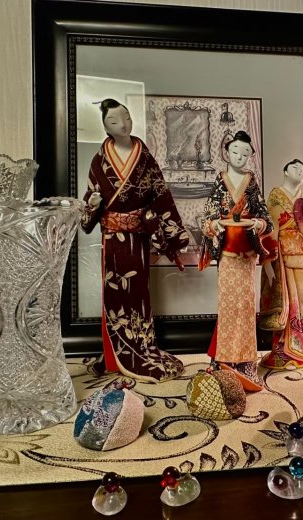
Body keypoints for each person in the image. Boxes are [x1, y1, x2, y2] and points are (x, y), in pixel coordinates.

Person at [81, 98, 190, 383]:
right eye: (114, 121)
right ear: (105, 126)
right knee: (116, 293)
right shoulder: (100, 160)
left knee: (139, 292)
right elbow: (90, 198)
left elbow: (161, 196)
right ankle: (114, 354)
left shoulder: (145, 158)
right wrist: (92, 204)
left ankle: (141, 344)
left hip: (138, 238)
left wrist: (170, 236)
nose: (123, 125)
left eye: (127, 118)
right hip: (112, 239)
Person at [199, 131, 276, 391]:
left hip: (247, 254)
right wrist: (215, 225)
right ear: (227, 153)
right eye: (235, 152)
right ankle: (223, 358)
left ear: (250, 156)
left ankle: (246, 361)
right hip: (227, 253)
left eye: (245, 153)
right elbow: (208, 217)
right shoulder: (219, 181)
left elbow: (266, 218)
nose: (239, 157)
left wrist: (258, 223)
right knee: (228, 306)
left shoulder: (251, 183)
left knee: (246, 305)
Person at [259, 159, 303, 369]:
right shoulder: (275, 196)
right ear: (285, 171)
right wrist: (267, 261)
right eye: (295, 168)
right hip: (280, 257)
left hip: (301, 257)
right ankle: (282, 352)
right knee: (286, 305)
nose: (300, 171)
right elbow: (269, 230)